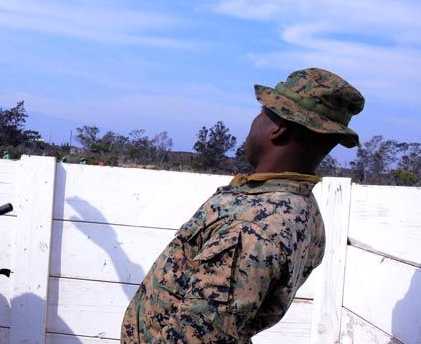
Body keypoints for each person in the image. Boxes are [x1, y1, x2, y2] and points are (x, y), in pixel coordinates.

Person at [121, 68, 365, 343]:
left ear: (279, 129)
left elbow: (194, 337)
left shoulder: (254, 227)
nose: (255, 121)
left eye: (263, 112)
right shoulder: (297, 207)